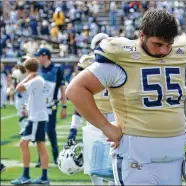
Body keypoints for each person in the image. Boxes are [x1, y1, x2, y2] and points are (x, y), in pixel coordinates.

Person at [66, 9, 186, 185]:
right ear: (142, 35)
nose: (164, 50)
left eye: (168, 45)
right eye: (158, 44)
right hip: (135, 155)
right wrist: (106, 127)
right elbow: (75, 90)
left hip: (174, 155)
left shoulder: (179, 56)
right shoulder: (122, 58)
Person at [66, 33, 115, 185]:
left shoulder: (118, 59)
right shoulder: (87, 62)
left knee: (114, 156)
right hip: (94, 114)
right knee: (93, 158)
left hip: (115, 113)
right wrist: (73, 127)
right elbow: (79, 96)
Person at [11, 58, 50, 184]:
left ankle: (26, 176)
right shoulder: (41, 80)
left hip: (36, 118)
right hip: (39, 116)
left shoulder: (36, 80)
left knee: (25, 144)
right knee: (40, 145)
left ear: (27, 69)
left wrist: (28, 77)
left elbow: (18, 88)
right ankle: (43, 177)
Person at [34, 48, 67, 167]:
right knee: (39, 133)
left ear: (45, 56)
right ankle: (40, 158)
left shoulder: (57, 69)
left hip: (51, 106)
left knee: (50, 131)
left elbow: (62, 88)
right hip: (38, 107)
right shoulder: (38, 70)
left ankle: (56, 156)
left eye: (39, 56)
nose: (38, 58)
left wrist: (64, 106)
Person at [12, 56, 28, 133]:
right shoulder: (16, 72)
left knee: (28, 113)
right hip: (20, 95)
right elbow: (14, 84)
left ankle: (28, 129)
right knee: (20, 112)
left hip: (28, 94)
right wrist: (16, 89)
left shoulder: (30, 73)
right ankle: (23, 129)